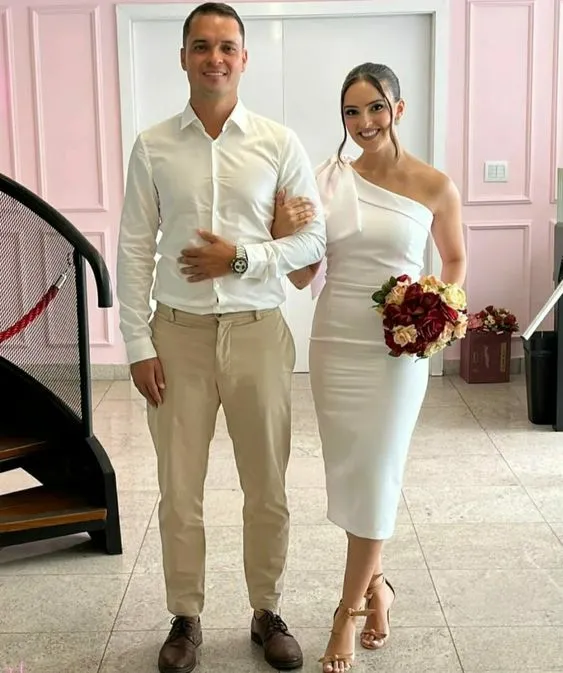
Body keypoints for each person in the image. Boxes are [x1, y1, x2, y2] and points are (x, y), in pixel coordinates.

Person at [116, 3, 326, 672]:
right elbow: (133, 247)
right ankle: (186, 615)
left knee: (267, 486)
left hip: (258, 332)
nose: (215, 57)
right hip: (176, 336)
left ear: (244, 58)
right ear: (182, 57)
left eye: (227, 46)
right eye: (202, 46)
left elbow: (311, 240)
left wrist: (239, 258)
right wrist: (138, 344)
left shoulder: (278, 142)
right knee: (180, 490)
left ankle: (267, 610)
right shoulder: (153, 145)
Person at [271, 62, 466, 672]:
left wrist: (436, 310)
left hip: (397, 350)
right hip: (335, 342)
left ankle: (347, 612)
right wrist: (283, 228)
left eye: (376, 108)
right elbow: (303, 274)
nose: (364, 122)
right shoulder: (328, 181)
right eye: (351, 112)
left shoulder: (435, 185)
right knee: (352, 475)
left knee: (378, 475)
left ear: (398, 109)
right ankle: (380, 587)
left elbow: (455, 260)